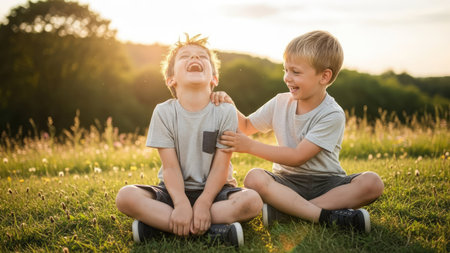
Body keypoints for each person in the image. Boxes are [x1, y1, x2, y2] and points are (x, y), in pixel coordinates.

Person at [212, 30, 384, 233]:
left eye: (296, 72)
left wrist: (250, 147)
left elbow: (297, 157)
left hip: (327, 182)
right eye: (285, 70)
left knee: (373, 183)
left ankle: (288, 212)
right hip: (286, 181)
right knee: (254, 178)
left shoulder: (332, 114)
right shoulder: (280, 102)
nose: (287, 78)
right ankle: (325, 215)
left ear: (324, 76)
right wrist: (228, 104)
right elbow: (247, 126)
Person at [115, 34, 263, 248]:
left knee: (252, 201)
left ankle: (158, 227)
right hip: (174, 189)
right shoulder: (163, 112)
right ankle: (213, 230)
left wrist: (203, 202)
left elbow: (221, 166)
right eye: (185, 56)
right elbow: (171, 167)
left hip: (217, 190)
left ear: (214, 79)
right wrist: (181, 202)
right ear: (171, 79)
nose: (195, 57)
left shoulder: (225, 111)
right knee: (126, 197)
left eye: (202, 56)